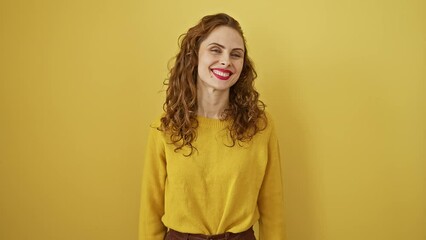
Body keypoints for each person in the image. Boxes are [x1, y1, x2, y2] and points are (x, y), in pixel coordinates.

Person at [139, 13, 285, 240]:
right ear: (194, 55)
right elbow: (151, 210)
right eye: (216, 50)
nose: (227, 60)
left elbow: (273, 209)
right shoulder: (164, 127)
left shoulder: (260, 126)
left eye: (236, 54)